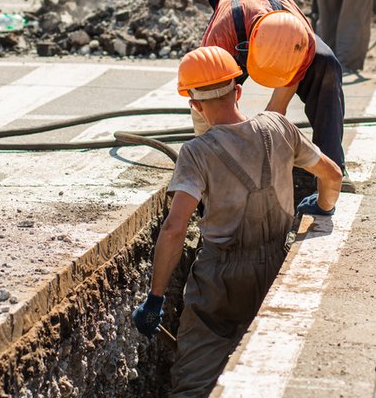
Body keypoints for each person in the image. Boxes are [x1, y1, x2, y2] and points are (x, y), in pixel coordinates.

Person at [132, 46, 343, 397]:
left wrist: (155, 299)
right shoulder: (279, 127)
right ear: (238, 91)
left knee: (194, 383)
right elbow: (332, 175)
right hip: (274, 270)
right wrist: (323, 207)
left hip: (218, 284)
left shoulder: (195, 153)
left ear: (195, 104)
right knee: (266, 376)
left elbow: (174, 228)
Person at [198, 0, 351, 185]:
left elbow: (276, 110)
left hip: (284, 31)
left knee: (327, 65)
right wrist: (218, 151)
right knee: (214, 98)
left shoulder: (301, 40)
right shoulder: (220, 38)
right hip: (236, 30)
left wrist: (263, 146)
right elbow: (207, 99)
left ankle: (331, 167)